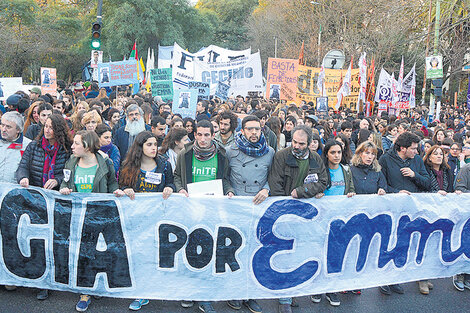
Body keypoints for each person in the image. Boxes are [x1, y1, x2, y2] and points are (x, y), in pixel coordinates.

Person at [58, 130, 125, 312]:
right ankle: (85, 292)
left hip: (101, 215)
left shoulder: (105, 163)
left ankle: (100, 285)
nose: (72, 146)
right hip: (79, 216)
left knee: (101, 252)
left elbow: (112, 183)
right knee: (83, 254)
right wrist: (64, 188)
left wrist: (116, 192)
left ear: (87, 146)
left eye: (76, 143)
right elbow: (65, 182)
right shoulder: (71, 162)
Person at [173, 120, 234, 313]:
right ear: (194, 135)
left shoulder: (222, 155)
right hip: (190, 209)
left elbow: (225, 179)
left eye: (207, 135)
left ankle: (204, 296)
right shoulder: (185, 154)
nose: (203, 139)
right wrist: (181, 189)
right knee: (189, 249)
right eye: (199, 134)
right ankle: (189, 291)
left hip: (212, 209)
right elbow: (176, 176)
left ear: (213, 135)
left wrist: (229, 190)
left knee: (208, 250)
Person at [268, 125, 328, 313]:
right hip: (285, 213)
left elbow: (323, 182)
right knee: (284, 254)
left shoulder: (316, 159)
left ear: (310, 144)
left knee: (299, 254)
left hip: (305, 215)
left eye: (301, 143)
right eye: (294, 142)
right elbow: (275, 184)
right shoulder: (281, 156)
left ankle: (291, 292)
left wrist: (302, 192)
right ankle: (284, 297)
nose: (297, 146)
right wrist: (283, 211)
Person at [16, 114, 72, 301]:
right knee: (38, 243)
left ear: (59, 130)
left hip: (56, 202)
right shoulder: (34, 146)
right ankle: (41, 283)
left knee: (55, 242)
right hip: (35, 201)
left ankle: (58, 277)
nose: (47, 130)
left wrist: (57, 180)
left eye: (51, 127)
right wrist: (22, 178)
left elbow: (68, 174)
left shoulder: (66, 150)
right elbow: (22, 167)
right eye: (45, 126)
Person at [118, 131, 175, 311]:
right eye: (149, 145)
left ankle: (145, 291)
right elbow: (121, 186)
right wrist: (125, 190)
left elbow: (172, 183)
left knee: (151, 255)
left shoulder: (164, 165)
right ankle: (138, 289)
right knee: (136, 255)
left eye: (155, 144)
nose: (153, 148)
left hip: (156, 218)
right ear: (140, 147)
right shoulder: (128, 165)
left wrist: (169, 187)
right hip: (135, 218)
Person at [224, 115, 275, 313]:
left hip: (259, 206)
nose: (253, 133)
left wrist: (267, 189)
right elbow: (225, 176)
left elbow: (274, 176)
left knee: (256, 251)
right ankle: (236, 292)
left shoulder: (270, 152)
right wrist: (229, 190)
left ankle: (251, 294)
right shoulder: (230, 151)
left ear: (261, 130)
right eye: (249, 129)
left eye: (257, 129)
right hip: (237, 206)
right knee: (237, 251)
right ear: (242, 131)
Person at [378, 131, 431, 295]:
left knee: (403, 244)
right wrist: (397, 192)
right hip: (391, 209)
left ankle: (396, 279)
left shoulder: (416, 160)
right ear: (402, 148)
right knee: (388, 244)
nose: (417, 152)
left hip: (411, 211)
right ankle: (383, 280)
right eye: (414, 148)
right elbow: (381, 185)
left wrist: (414, 175)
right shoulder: (385, 159)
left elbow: (427, 183)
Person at [311, 139, 356, 307]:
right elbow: (311, 187)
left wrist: (351, 193)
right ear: (327, 154)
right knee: (320, 252)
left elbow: (351, 188)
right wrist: (317, 193)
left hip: (340, 220)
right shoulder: (319, 170)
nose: (336, 156)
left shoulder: (346, 170)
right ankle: (317, 288)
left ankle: (331, 290)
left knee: (335, 254)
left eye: (339, 152)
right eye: (333, 152)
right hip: (322, 218)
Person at [0, 112, 32, 184]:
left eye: (8, 127)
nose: (4, 129)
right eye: (2, 125)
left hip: (15, 190)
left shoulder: (28, 145)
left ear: (18, 129)